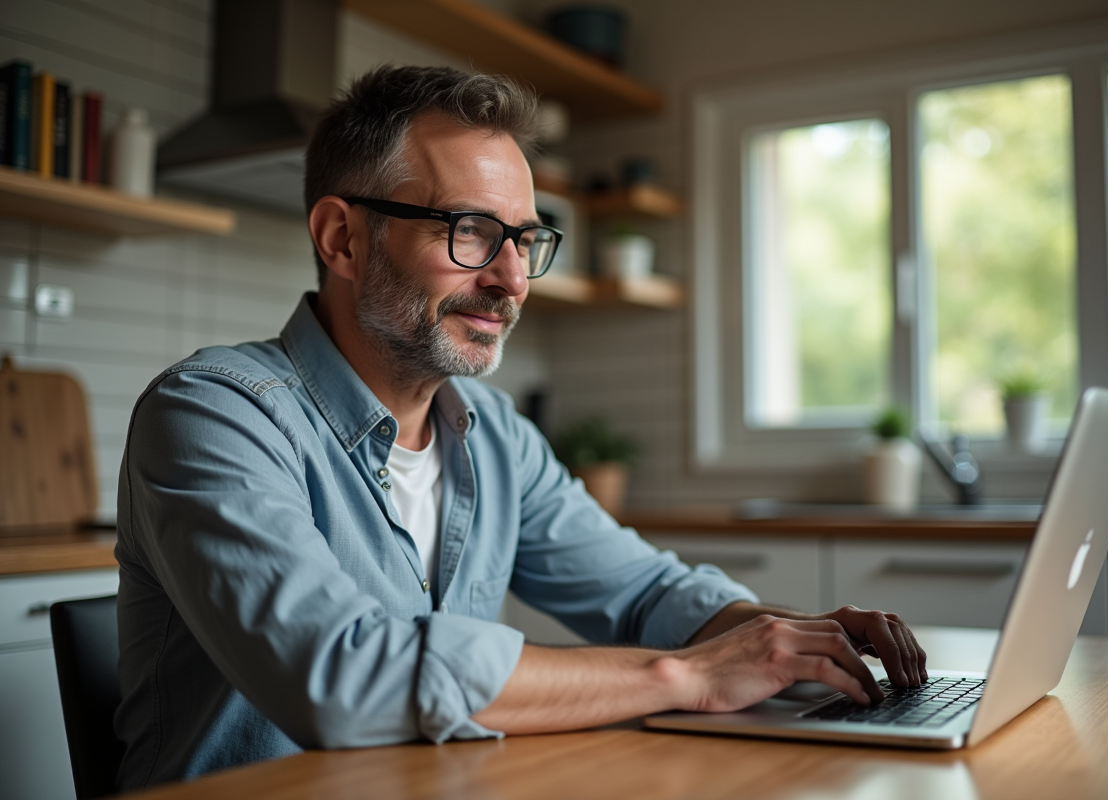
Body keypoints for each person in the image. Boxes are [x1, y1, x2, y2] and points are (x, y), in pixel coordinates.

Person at [114, 65, 926, 791]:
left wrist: (787, 637)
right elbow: (340, 677)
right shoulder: (213, 413)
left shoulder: (493, 435)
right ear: (343, 238)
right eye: (470, 232)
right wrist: (685, 676)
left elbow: (645, 593)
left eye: (526, 240)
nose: (510, 279)